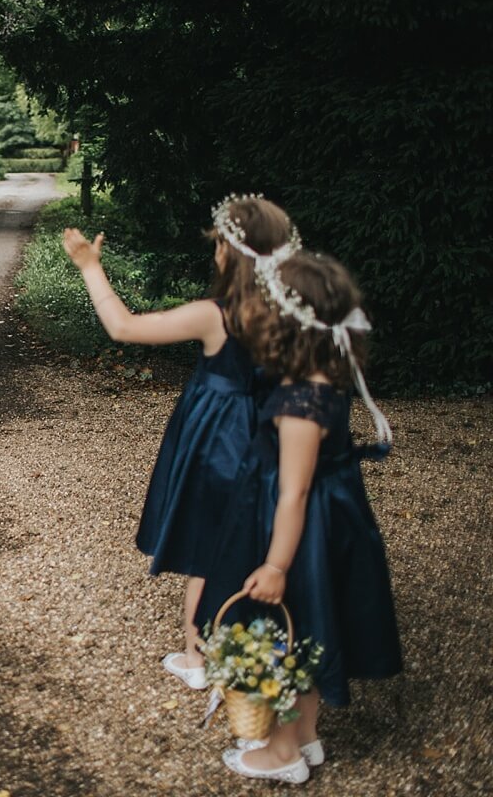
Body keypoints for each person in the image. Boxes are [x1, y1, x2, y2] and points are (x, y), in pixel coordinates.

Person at [62, 195, 299, 692]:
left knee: (207, 547)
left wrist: (89, 266)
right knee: (257, 539)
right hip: (279, 437)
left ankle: (198, 657)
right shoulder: (294, 311)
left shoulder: (216, 315)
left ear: (227, 255)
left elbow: (124, 327)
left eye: (217, 246)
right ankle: (256, 648)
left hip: (220, 442)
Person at [198, 250, 401, 784]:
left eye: (262, 312)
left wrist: (276, 564)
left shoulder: (299, 402)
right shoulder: (322, 377)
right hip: (325, 522)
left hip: (298, 532)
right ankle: (306, 738)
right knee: (310, 626)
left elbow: (293, 491)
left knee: (283, 629)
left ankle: (281, 752)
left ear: (287, 326)